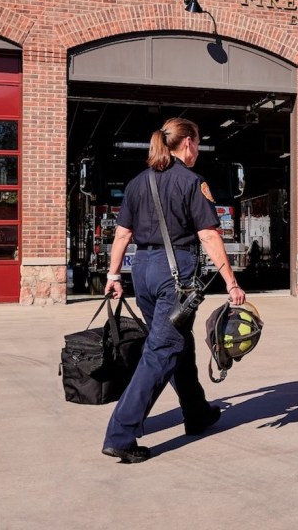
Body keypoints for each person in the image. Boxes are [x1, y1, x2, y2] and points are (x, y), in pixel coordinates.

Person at [100, 117, 246, 463]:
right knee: (163, 347)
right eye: (198, 141)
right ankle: (120, 434)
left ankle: (197, 413)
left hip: (144, 271)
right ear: (189, 143)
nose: (198, 149)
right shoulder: (192, 182)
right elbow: (209, 235)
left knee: (178, 340)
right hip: (175, 273)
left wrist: (113, 274)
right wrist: (232, 281)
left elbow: (122, 235)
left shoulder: (137, 183)